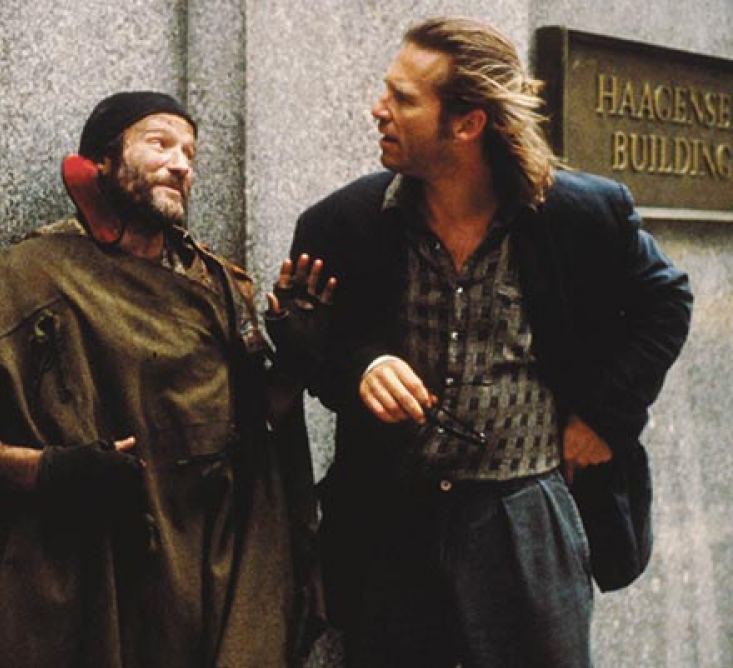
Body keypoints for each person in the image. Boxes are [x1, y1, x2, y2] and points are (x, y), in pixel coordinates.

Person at [0, 91, 324, 668]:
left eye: (190, 153)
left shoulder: (218, 287)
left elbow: (261, 432)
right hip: (78, 576)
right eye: (160, 143)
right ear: (102, 162)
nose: (181, 164)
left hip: (204, 578)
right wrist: (51, 470)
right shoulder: (21, 282)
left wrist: (298, 353)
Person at [286, 17, 693, 668]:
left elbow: (666, 301)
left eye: (403, 98)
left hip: (525, 515)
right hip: (390, 520)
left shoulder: (580, 215)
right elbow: (309, 343)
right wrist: (361, 367)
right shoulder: (342, 223)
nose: (378, 108)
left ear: (467, 123)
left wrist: (604, 417)